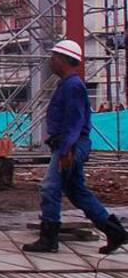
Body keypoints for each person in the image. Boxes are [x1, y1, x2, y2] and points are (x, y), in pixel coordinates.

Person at [23, 40, 126, 254]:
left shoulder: (73, 86)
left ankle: (49, 239)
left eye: (53, 58)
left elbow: (74, 121)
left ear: (62, 60)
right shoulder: (68, 84)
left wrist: (66, 150)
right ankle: (114, 231)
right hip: (69, 145)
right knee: (77, 191)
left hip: (70, 146)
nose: (50, 62)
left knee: (50, 188)